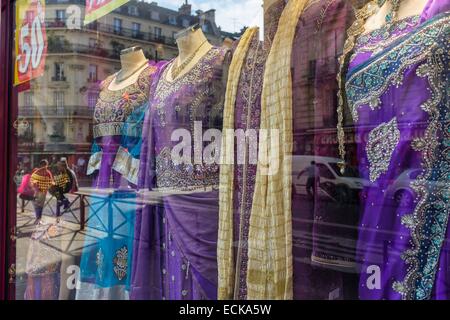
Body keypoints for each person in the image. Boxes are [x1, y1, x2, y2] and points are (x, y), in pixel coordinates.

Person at [30, 160, 55, 225]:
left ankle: (37, 218)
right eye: (46, 165)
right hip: (42, 191)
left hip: (36, 191)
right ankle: (38, 219)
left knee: (36, 205)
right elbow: (51, 182)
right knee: (40, 206)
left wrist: (35, 188)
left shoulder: (37, 171)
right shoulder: (47, 172)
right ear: (46, 165)